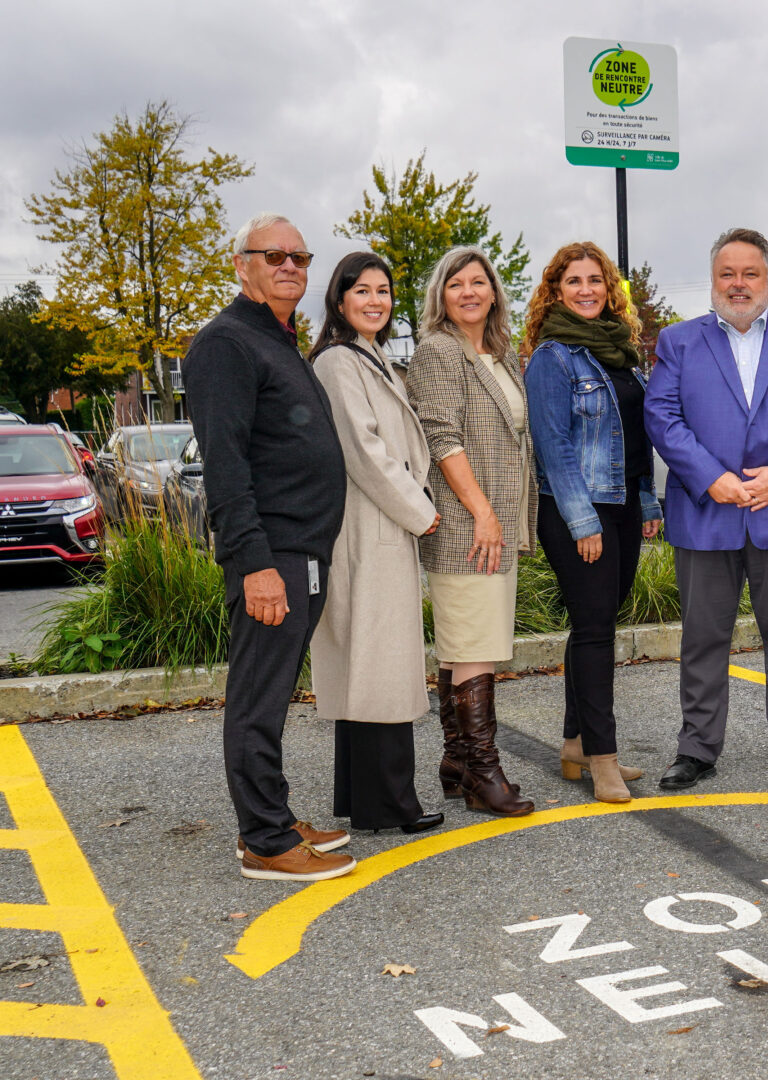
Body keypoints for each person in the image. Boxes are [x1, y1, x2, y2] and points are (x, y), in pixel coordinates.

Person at [645, 227, 768, 792]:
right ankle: (697, 749)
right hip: (707, 511)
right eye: (727, 274)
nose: (739, 284)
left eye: (749, 273)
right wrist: (712, 479)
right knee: (703, 638)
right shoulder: (679, 341)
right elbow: (662, 416)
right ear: (713, 281)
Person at [182, 212, 355, 881]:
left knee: (276, 690)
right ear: (242, 264)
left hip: (302, 550)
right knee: (258, 695)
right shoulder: (226, 345)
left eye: (300, 257)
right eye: (273, 255)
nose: (289, 266)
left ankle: (273, 815)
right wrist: (255, 564)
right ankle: (264, 840)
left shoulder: (276, 340)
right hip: (272, 554)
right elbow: (226, 467)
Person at [308, 252, 446, 834]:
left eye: (383, 291)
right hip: (370, 528)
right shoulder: (339, 362)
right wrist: (423, 513)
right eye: (361, 290)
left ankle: (366, 801)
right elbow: (364, 452)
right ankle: (391, 804)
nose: (375, 301)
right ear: (339, 300)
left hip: (380, 525)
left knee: (373, 668)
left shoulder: (375, 359)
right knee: (379, 668)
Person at [522, 242, 663, 803]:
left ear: (609, 289)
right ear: (556, 291)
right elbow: (553, 447)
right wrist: (583, 521)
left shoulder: (621, 352)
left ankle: (576, 742)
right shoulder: (551, 358)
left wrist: (647, 501)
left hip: (624, 501)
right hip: (578, 509)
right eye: (574, 281)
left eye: (595, 281)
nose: (586, 290)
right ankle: (603, 761)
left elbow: (637, 434)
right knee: (597, 631)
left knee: (592, 625)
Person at [406, 246, 536, 818]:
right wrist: (483, 512)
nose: (468, 292)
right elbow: (441, 436)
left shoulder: (502, 355)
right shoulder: (438, 351)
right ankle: (484, 772)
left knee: (464, 645)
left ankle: (457, 760)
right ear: (441, 295)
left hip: (495, 523)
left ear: (494, 292)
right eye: (455, 284)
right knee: (475, 645)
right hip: (467, 525)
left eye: (478, 282)